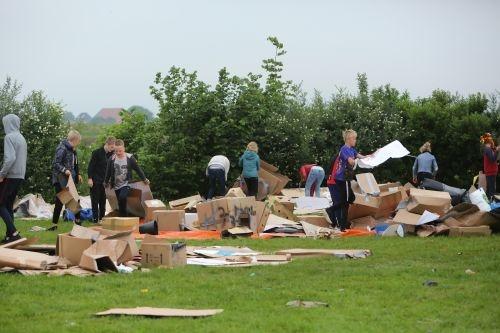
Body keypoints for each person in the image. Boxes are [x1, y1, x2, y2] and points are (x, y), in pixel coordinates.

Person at [325, 130, 368, 232]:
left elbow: (361, 157)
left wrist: (374, 155)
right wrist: (358, 161)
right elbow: (351, 162)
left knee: (348, 200)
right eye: (354, 138)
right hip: (341, 178)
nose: (355, 140)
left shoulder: (351, 149)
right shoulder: (344, 149)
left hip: (346, 178)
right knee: (346, 201)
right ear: (348, 139)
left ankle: (341, 224)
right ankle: (332, 213)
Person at [0, 114, 27, 244]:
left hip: (10, 175)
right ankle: (9, 236)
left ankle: (14, 233)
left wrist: (2, 174)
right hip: (20, 176)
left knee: (0, 205)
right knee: (8, 205)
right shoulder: (22, 138)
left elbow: (10, 158)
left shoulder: (9, 137)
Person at [104, 140, 149, 217]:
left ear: (124, 149)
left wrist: (144, 179)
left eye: (120, 151)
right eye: (116, 151)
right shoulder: (112, 159)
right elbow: (108, 172)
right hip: (116, 184)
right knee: (120, 202)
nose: (118, 153)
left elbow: (138, 169)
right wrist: (106, 181)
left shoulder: (130, 158)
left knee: (122, 197)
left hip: (127, 183)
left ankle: (124, 217)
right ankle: (123, 217)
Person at [51, 130, 83, 227]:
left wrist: (78, 174)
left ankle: (77, 221)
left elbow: (75, 164)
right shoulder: (62, 148)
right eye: (78, 141)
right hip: (60, 179)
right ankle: (55, 224)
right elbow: (55, 163)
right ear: (74, 140)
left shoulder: (73, 150)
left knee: (74, 199)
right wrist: (65, 170)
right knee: (62, 201)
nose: (79, 143)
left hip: (69, 179)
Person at [88, 136, 116, 223]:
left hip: (105, 182)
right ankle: (95, 219)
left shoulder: (111, 154)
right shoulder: (97, 152)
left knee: (103, 201)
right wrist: (90, 178)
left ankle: (102, 218)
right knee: (95, 200)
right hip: (95, 180)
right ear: (107, 144)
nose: (112, 149)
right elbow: (91, 166)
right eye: (111, 147)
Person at [480, 133, 499, 200]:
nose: (492, 141)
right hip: (491, 171)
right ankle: (491, 206)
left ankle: (486, 204)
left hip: (490, 171)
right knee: (491, 190)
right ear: (489, 141)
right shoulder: (488, 149)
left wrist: (495, 151)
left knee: (489, 189)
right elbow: (492, 159)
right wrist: (497, 151)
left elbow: (492, 159)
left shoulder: (488, 149)